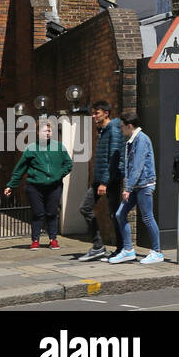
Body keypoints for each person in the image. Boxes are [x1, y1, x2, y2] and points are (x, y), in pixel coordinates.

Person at [3, 119, 73, 250]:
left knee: (52, 212)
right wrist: (11, 185)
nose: (48, 133)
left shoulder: (58, 147)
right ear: (38, 132)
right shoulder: (31, 148)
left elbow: (68, 164)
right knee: (38, 213)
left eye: (49, 130)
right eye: (45, 130)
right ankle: (35, 240)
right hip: (35, 187)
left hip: (54, 186)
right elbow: (20, 168)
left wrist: (58, 175)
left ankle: (53, 239)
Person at [108, 112, 163, 265]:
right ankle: (128, 250)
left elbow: (138, 165)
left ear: (129, 126)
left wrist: (128, 188)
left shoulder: (142, 140)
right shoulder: (132, 140)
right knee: (120, 214)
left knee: (147, 217)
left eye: (122, 127)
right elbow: (129, 166)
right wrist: (129, 185)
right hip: (136, 186)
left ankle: (157, 252)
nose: (121, 130)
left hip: (144, 185)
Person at [77, 101, 124, 262]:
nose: (93, 116)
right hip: (101, 179)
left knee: (114, 214)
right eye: (93, 113)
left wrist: (104, 182)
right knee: (85, 208)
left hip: (111, 179)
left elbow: (113, 159)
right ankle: (98, 247)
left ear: (106, 113)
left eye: (96, 113)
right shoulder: (103, 131)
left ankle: (121, 248)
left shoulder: (114, 130)